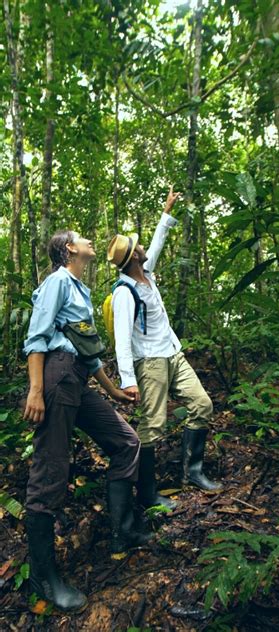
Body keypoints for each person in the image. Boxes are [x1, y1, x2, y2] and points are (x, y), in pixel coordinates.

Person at [23, 229, 150, 614]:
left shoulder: (81, 290)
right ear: (69, 250)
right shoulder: (58, 282)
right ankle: (44, 577)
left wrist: (113, 392)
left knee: (126, 442)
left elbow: (89, 354)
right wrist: (34, 390)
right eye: (82, 238)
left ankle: (122, 531)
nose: (91, 242)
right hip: (57, 378)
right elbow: (37, 337)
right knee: (51, 473)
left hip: (78, 377)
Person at [107, 186, 223, 514]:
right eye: (137, 246)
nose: (142, 246)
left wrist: (167, 212)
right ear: (132, 258)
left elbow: (156, 243)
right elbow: (122, 342)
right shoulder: (125, 293)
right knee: (152, 426)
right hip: (151, 363)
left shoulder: (147, 274)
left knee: (202, 403)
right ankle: (147, 493)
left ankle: (193, 472)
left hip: (173, 354)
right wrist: (128, 380)